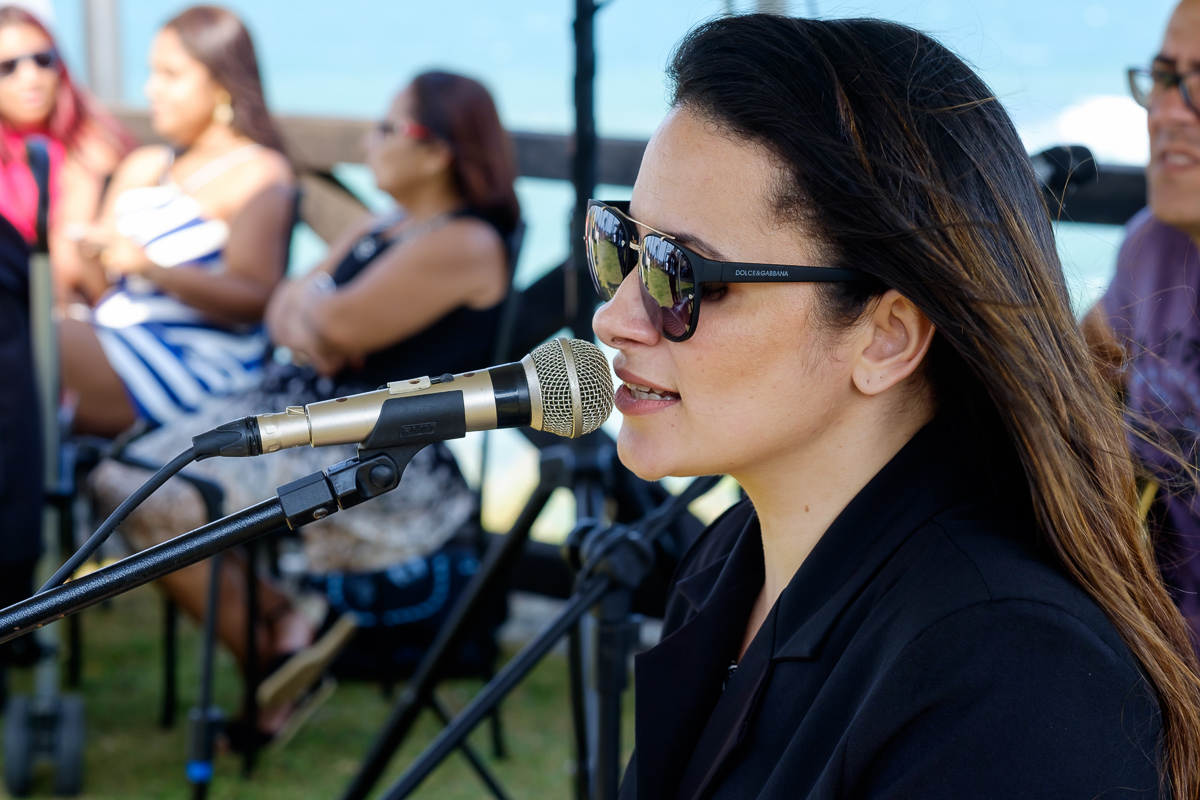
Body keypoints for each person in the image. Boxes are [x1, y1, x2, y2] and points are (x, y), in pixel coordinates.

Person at [589, 15, 1200, 799]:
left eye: (684, 274)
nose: (617, 315)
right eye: (623, 246)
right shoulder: (731, 562)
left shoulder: (1013, 676)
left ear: (885, 339)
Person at [91, 70, 520, 744]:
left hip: (378, 460)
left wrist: (316, 312)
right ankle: (285, 635)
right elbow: (285, 310)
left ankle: (276, 657)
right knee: (129, 476)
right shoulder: (388, 225)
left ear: (438, 150)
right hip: (301, 416)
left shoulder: (466, 242)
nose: (366, 139)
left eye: (386, 128)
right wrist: (315, 313)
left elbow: (333, 328)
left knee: (149, 495)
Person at [61, 5, 294, 437]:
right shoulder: (145, 164)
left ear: (221, 81)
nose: (152, 89)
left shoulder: (257, 173)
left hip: (194, 364)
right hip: (115, 334)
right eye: (151, 73)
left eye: (170, 75)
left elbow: (255, 298)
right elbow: (102, 292)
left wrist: (148, 266)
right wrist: (91, 252)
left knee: (34, 337)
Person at [1084, 0, 1200, 647]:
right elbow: (1076, 372)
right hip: (1154, 648)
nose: (1167, 111)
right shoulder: (1155, 247)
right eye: (1162, 78)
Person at [0, 5, 136, 304]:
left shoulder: (94, 148)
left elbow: (70, 265)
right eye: (7, 67)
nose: (31, 77)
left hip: (71, 316)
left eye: (43, 59)